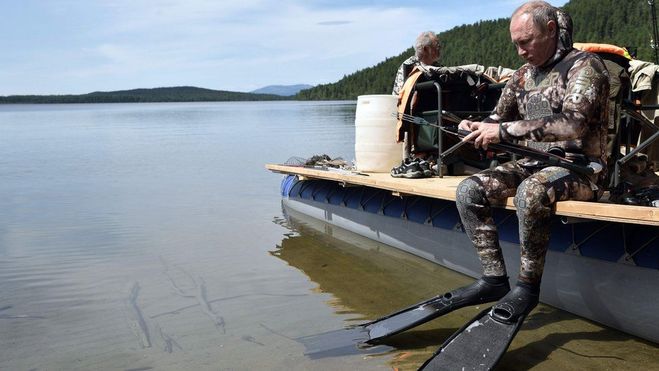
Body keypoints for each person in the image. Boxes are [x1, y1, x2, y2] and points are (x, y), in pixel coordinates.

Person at [391, 31, 441, 95]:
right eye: (436, 45)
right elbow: (399, 96)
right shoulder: (408, 66)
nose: (439, 48)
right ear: (425, 49)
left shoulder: (438, 66)